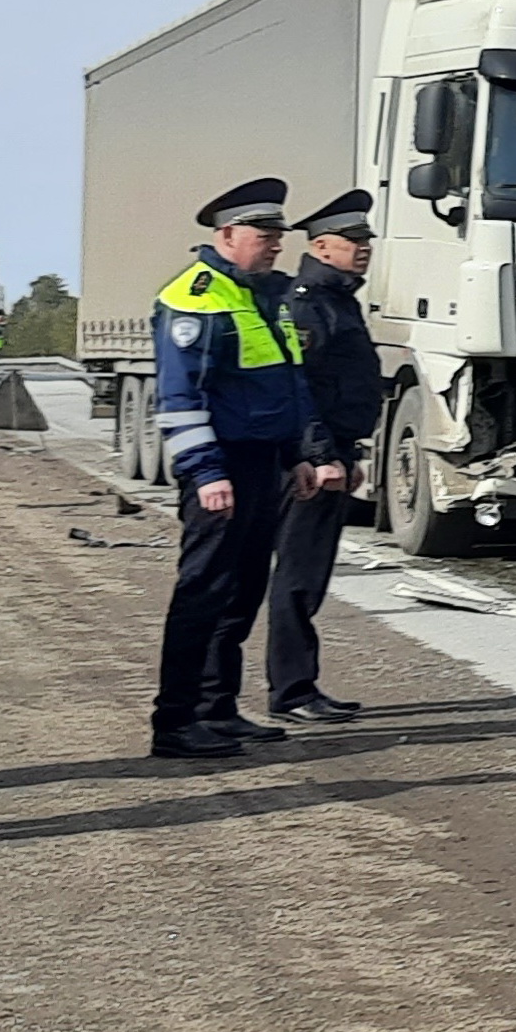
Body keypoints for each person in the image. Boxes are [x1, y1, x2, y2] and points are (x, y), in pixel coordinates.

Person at [146, 179, 335, 760]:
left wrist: (297, 455)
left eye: (279, 233)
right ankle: (175, 721)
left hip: (260, 462)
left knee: (243, 590)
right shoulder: (196, 296)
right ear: (226, 235)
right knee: (204, 591)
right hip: (221, 464)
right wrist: (206, 472)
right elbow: (180, 396)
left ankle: (217, 708)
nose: (276, 243)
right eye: (264, 234)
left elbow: (286, 383)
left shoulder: (260, 294)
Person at [260, 189, 386, 725]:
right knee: (297, 578)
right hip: (313, 465)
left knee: (311, 577)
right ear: (321, 246)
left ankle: (300, 684)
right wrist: (320, 455)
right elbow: (299, 388)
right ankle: (290, 691)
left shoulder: (339, 298)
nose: (364, 249)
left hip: (335, 452)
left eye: (365, 241)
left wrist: (350, 451)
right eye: (352, 241)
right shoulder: (307, 302)